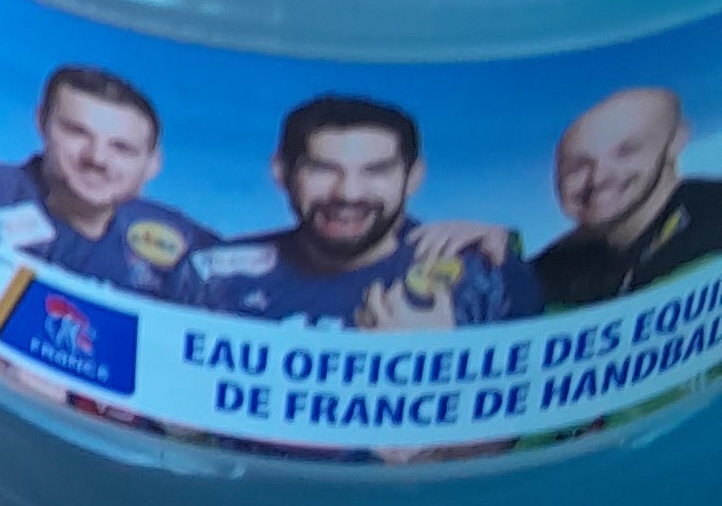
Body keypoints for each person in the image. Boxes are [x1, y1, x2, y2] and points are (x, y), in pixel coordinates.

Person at [187, 95, 539, 328]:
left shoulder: (482, 276)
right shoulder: (213, 276)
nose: (349, 193)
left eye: (376, 171)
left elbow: (525, 409)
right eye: (323, 169)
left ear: (414, 177)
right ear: (281, 172)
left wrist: (436, 361)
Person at [0, 65, 213, 298]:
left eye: (122, 148)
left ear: (153, 164)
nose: (97, 158)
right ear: (42, 123)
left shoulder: (180, 241)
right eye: (77, 132)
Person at [534, 83, 722, 307]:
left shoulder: (714, 221)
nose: (599, 178)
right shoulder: (550, 272)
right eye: (577, 166)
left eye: (626, 152)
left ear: (675, 141)